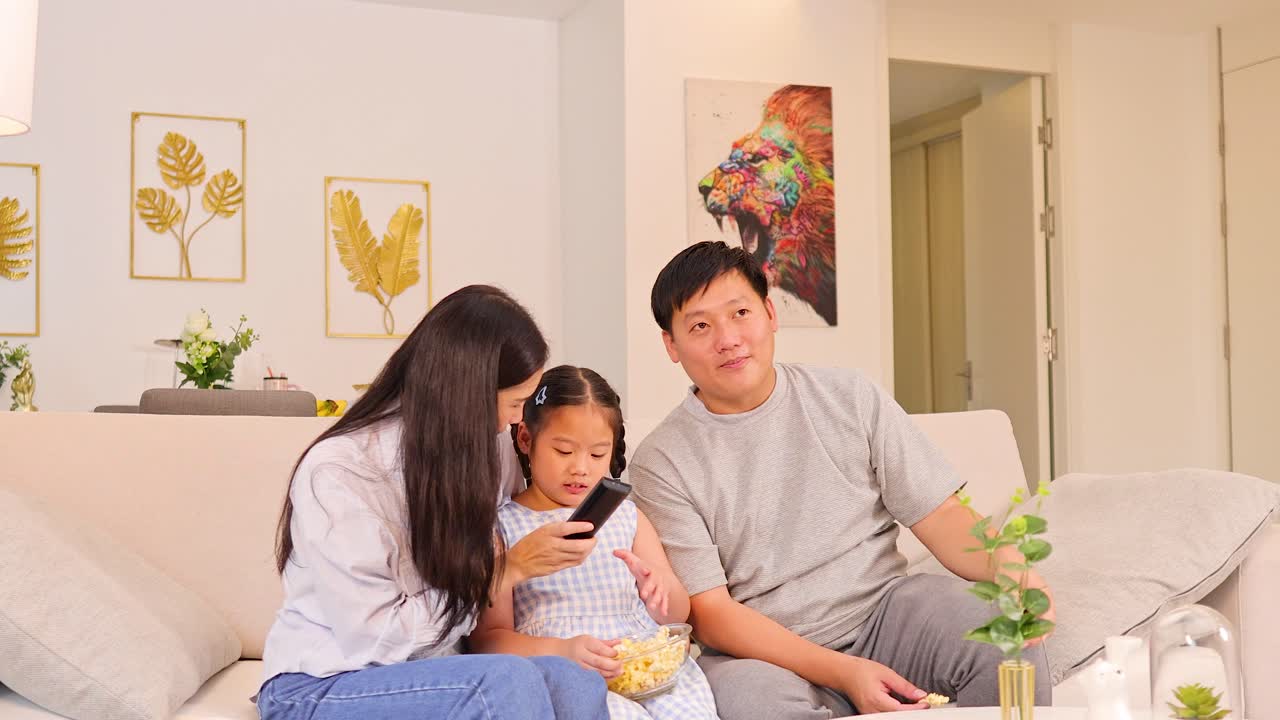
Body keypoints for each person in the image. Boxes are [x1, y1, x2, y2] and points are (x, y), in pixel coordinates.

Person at [629, 242, 1055, 718]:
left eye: (740, 313)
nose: (727, 339)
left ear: (770, 313)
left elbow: (942, 516)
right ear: (671, 345)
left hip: (886, 614)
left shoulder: (849, 396)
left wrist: (1008, 566)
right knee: (753, 704)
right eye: (700, 326)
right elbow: (711, 614)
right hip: (763, 654)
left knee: (1005, 637)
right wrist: (844, 671)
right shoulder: (660, 462)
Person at [257, 285, 609, 720]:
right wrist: (506, 570)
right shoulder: (339, 472)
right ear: (466, 396)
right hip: (326, 681)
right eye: (515, 403)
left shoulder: (490, 447)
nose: (518, 419)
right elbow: (376, 640)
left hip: (436, 668)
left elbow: (510, 526)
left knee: (576, 682)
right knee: (505, 681)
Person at [471, 365, 717, 720]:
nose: (581, 468)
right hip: (569, 672)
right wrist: (562, 651)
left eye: (598, 454)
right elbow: (488, 639)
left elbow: (676, 613)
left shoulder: (628, 517)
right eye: (563, 451)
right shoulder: (503, 527)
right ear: (525, 438)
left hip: (647, 666)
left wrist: (659, 592)